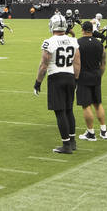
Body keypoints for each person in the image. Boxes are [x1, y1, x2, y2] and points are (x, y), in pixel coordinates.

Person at [34, 13, 81, 154]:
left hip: (56, 77)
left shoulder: (49, 42)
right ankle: (72, 142)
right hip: (70, 76)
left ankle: (66, 145)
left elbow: (44, 65)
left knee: (60, 111)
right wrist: (76, 79)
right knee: (69, 110)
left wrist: (37, 82)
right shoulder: (74, 41)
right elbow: (77, 63)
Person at [76, 21, 107, 141]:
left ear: (82, 30)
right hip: (96, 75)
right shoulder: (99, 44)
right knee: (98, 103)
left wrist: (76, 77)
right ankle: (104, 131)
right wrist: (100, 75)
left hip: (83, 76)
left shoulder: (77, 43)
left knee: (86, 105)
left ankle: (91, 132)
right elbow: (103, 62)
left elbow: (76, 62)